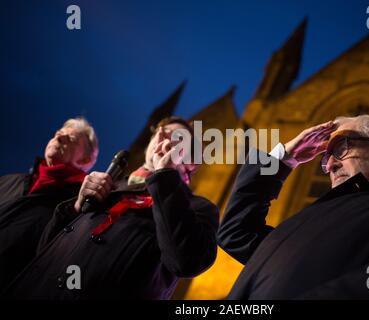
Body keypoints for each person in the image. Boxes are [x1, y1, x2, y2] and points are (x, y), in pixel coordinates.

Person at [218, 114, 369, 299]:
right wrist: (284, 158)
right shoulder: (308, 220)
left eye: (341, 148)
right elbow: (236, 233)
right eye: (325, 157)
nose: (329, 164)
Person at [4, 116, 218, 300]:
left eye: (173, 136)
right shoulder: (109, 185)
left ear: (191, 162)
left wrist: (165, 175)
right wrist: (75, 208)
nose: (161, 135)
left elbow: (188, 262)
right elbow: (43, 250)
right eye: (159, 132)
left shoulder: (198, 208)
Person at [0, 117, 98, 290]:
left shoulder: (80, 208)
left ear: (86, 160)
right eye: (58, 134)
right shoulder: (8, 181)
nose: (59, 138)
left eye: (71, 139)